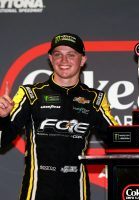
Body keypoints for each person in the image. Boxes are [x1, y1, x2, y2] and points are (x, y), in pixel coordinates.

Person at [0, 33, 118, 200]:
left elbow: (118, 140)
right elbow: (1, 141)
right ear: (50, 58)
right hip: (37, 191)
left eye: (71, 55)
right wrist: (2, 118)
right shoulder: (30, 94)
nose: (64, 61)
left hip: (77, 191)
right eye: (58, 54)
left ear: (82, 60)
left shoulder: (95, 99)